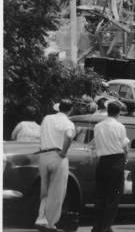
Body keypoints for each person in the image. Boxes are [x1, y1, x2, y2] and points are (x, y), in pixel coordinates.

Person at [35, 99, 76, 232]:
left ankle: (41, 218)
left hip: (43, 155)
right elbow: (69, 136)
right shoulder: (68, 123)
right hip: (57, 156)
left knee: (44, 190)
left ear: (59, 108)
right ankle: (50, 223)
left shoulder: (47, 118)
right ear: (70, 110)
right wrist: (64, 152)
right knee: (57, 192)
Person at [91, 100, 129, 232]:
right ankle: (105, 227)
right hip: (116, 161)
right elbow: (125, 147)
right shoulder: (120, 126)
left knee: (100, 195)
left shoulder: (98, 126)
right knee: (113, 197)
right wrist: (126, 159)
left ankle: (97, 226)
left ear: (108, 111)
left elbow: (95, 144)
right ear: (118, 113)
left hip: (102, 161)